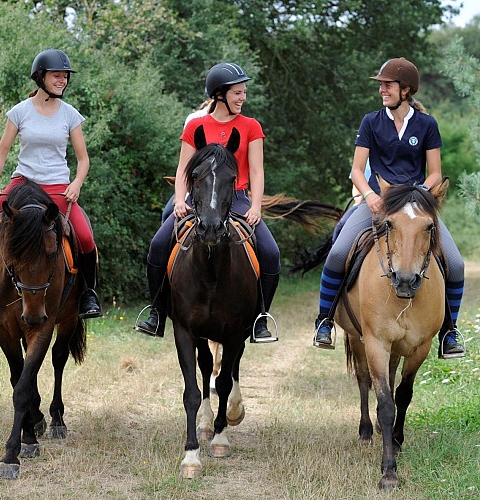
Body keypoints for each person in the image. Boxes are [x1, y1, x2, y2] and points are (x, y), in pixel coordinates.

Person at [313, 57, 465, 359]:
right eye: (381, 84)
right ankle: (324, 321)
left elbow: (435, 172)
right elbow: (357, 169)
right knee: (339, 252)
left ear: (405, 89)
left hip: (416, 205)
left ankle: (449, 331)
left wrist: (418, 196)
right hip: (377, 203)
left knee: (456, 263)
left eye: (388, 84)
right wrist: (369, 196)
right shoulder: (371, 122)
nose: (382, 89)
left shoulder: (426, 125)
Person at [0, 49, 102, 320]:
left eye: (65, 76)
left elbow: (83, 159)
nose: (63, 80)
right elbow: (1, 151)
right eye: (57, 75)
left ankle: (87, 295)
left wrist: (77, 183)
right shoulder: (20, 112)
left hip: (58, 188)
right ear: (40, 77)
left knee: (86, 239)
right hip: (22, 183)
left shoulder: (70, 115)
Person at [136, 62, 280, 341]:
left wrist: (255, 206)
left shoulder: (251, 127)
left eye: (244, 92)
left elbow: (258, 170)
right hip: (197, 199)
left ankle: (260, 318)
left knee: (271, 253)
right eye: (237, 93)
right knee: (157, 246)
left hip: (236, 198)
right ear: (219, 95)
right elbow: (182, 169)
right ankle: (156, 312)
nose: (243, 98)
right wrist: (179, 200)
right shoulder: (196, 126)